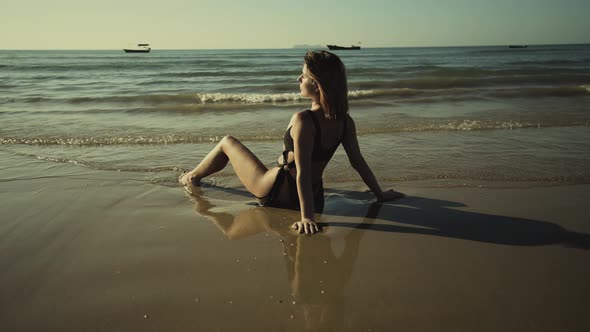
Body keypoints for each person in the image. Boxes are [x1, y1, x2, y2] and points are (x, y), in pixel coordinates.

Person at [179, 50, 405, 234]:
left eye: (304, 75)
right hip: (315, 198)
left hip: (277, 192)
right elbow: (358, 162)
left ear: (317, 84)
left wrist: (306, 218)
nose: (299, 79)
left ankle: (192, 177)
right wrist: (379, 193)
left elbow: (302, 172)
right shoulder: (345, 122)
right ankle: (194, 176)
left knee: (227, 142)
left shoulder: (303, 120)